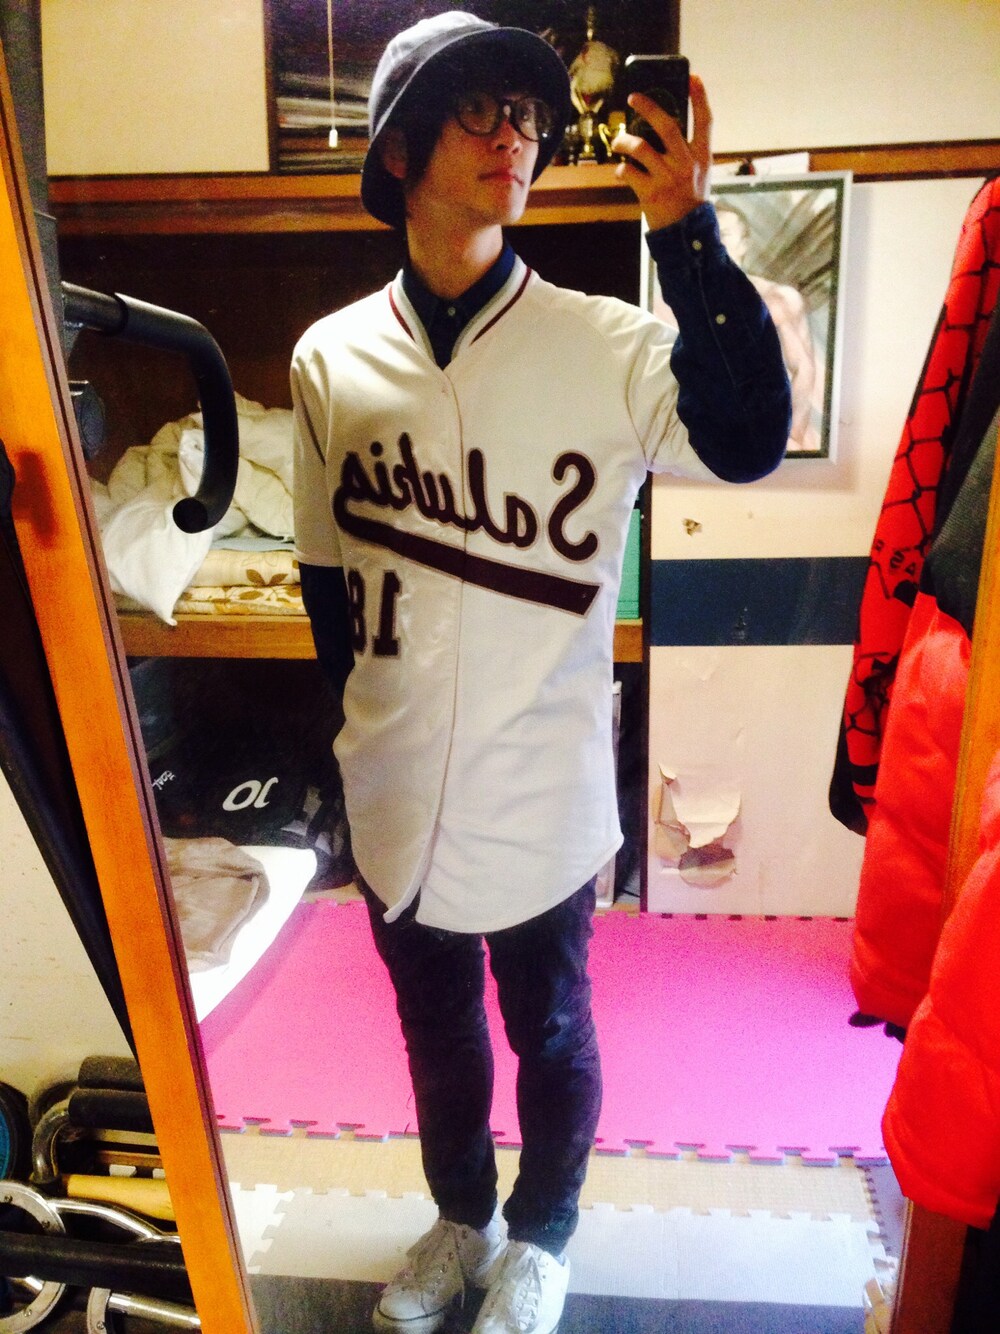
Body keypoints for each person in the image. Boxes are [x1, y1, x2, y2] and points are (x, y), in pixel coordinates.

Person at [290, 13, 790, 1334]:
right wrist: (358, 735)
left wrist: (686, 227)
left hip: (543, 784)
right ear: (399, 151)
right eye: (479, 109)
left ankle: (547, 1230)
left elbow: (749, 435)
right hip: (393, 783)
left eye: (526, 112)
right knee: (436, 1031)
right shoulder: (329, 357)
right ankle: (460, 1213)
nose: (513, 132)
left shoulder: (605, 342)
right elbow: (326, 581)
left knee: (551, 1026)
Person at [716, 199, 821, 452]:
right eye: (709, 236)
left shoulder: (775, 299)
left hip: (768, 438)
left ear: (744, 243)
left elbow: (803, 369)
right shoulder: (687, 301)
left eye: (724, 235)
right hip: (717, 442)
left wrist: (790, 435)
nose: (715, 243)